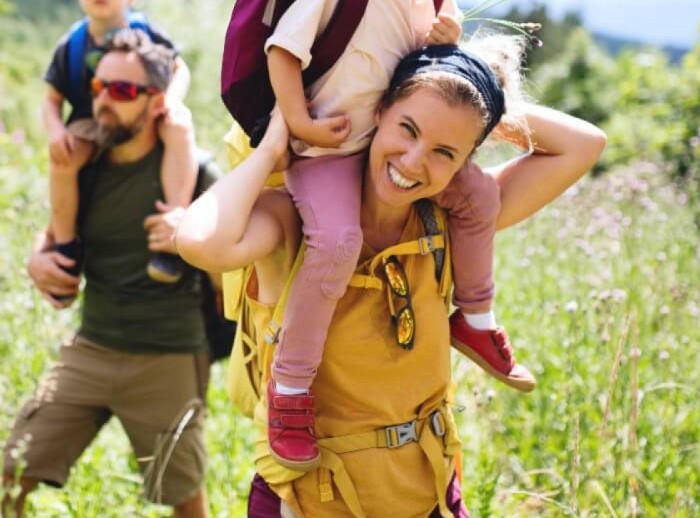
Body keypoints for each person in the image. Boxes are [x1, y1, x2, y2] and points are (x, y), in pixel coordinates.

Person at [178, 39, 606, 517]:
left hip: (427, 494)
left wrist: (470, 99)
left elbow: (584, 144)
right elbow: (200, 242)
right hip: (309, 502)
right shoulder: (295, 221)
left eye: (445, 151)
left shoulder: (451, 223)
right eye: (408, 127)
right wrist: (272, 149)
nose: (413, 161)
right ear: (377, 111)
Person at [255, 0, 528, 472]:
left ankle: (476, 316)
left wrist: (445, 30)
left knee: (478, 198)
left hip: (391, 145)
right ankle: (290, 389)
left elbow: (442, 37)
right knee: (337, 242)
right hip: (329, 148)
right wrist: (299, 125)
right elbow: (283, 51)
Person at [0, 29, 214, 518]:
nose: (105, 100)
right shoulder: (86, 163)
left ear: (157, 103)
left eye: (123, 91)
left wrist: (194, 232)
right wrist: (35, 259)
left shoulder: (196, 171)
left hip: (168, 355)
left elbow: (235, 257)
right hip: (92, 348)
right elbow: (54, 234)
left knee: (184, 495)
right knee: (7, 478)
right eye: (99, 87)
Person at [43, 0, 198, 295]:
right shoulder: (72, 44)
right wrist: (55, 131)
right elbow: (51, 99)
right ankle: (66, 247)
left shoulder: (148, 34)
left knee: (180, 126)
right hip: (90, 120)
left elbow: (179, 69)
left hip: (144, 113)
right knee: (63, 160)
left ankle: (172, 225)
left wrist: (171, 100)